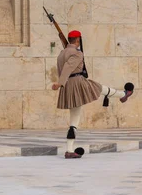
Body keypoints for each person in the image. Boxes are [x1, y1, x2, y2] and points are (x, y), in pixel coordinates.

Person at [52, 30, 134, 159]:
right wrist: (59, 83)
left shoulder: (62, 53)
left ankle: (69, 150)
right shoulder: (77, 53)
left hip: (68, 85)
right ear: (78, 40)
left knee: (74, 118)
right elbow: (68, 67)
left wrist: (62, 83)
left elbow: (62, 67)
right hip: (77, 82)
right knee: (98, 87)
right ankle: (123, 94)